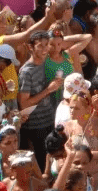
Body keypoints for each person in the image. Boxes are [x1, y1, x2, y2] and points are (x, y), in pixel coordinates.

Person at [18, 31, 64, 170]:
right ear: (30, 48)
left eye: (46, 45)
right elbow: (24, 103)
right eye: (40, 46)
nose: (45, 49)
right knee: (43, 165)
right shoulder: (26, 72)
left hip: (50, 121)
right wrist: (48, 90)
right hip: (36, 127)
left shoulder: (48, 63)